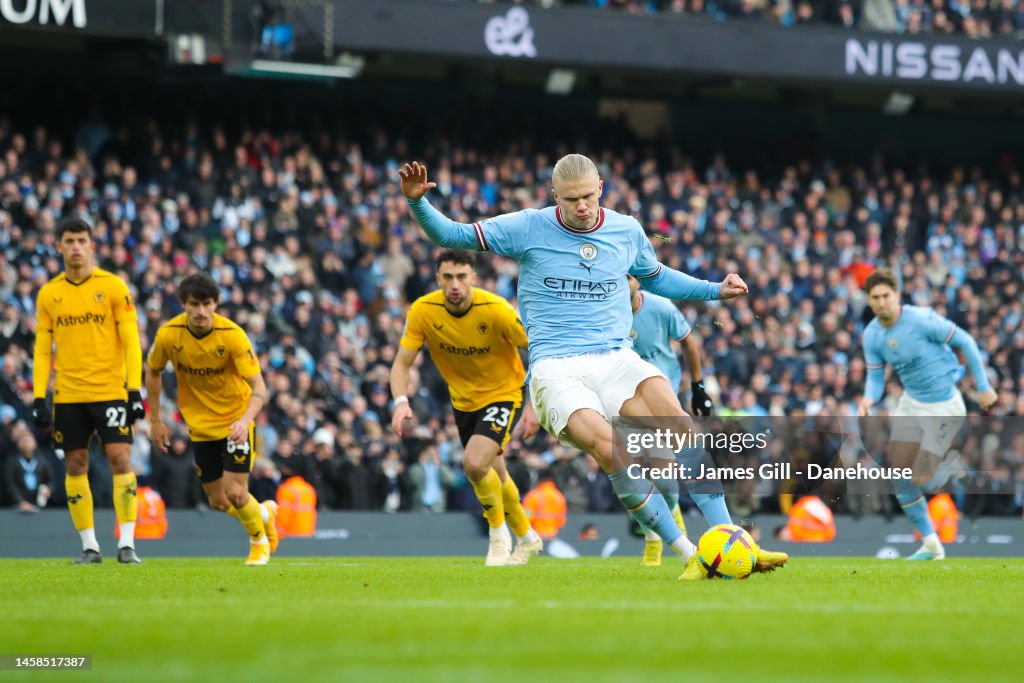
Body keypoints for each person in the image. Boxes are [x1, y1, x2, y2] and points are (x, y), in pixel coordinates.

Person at [399, 156, 788, 580]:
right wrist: (418, 203)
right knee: (610, 448)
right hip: (556, 368)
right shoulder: (528, 226)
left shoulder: (625, 230)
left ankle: (733, 541)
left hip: (615, 357)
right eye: (571, 200)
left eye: (588, 196)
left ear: (601, 187)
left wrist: (715, 290)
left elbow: (657, 277)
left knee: (680, 426)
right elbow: (452, 234)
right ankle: (688, 553)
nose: (581, 206)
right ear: (555, 198)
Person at [391, 249, 544, 566]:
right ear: (438, 279)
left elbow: (542, 348)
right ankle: (528, 538)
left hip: (505, 393)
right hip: (463, 401)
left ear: (473, 278)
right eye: (447, 277)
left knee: (474, 464)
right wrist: (400, 402)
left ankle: (498, 536)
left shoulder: (497, 310)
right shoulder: (423, 310)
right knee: (496, 473)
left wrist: (534, 403)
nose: (454, 284)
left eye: (461, 277)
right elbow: (401, 363)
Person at [858, 268, 997, 561]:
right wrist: (868, 399)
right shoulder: (871, 335)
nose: (881, 302)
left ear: (897, 296)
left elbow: (967, 342)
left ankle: (956, 469)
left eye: (886, 296)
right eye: (875, 297)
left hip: (944, 406)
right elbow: (876, 377)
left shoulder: (922, 320)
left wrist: (984, 387)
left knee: (921, 476)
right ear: (869, 301)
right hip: (912, 404)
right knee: (899, 478)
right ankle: (931, 544)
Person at [33, 218, 146, 564]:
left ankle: (127, 545)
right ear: (59, 246)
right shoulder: (49, 293)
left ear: (92, 245)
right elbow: (41, 349)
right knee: (75, 465)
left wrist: (134, 390)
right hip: (68, 394)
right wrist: (40, 395)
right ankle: (90, 547)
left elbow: (131, 341)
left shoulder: (113, 287)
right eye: (70, 240)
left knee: (121, 459)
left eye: (82, 240)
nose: (77, 247)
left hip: (110, 390)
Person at [146, 273, 279, 566]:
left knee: (235, 492)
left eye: (207, 304)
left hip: (236, 422)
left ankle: (259, 543)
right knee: (219, 502)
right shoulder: (169, 335)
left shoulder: (232, 336)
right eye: (194, 304)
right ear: (183, 303)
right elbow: (153, 370)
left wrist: (245, 421)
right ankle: (265, 514)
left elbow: (260, 388)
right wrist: (155, 420)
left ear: (216, 303)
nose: (201, 311)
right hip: (201, 427)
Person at [627, 273, 714, 566]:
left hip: (663, 397)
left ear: (638, 282)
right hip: (625, 400)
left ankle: (669, 519)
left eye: (627, 277)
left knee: (663, 479)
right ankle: (655, 537)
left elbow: (688, 341)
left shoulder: (661, 308)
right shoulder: (605, 313)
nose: (622, 283)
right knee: (631, 477)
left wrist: (698, 387)